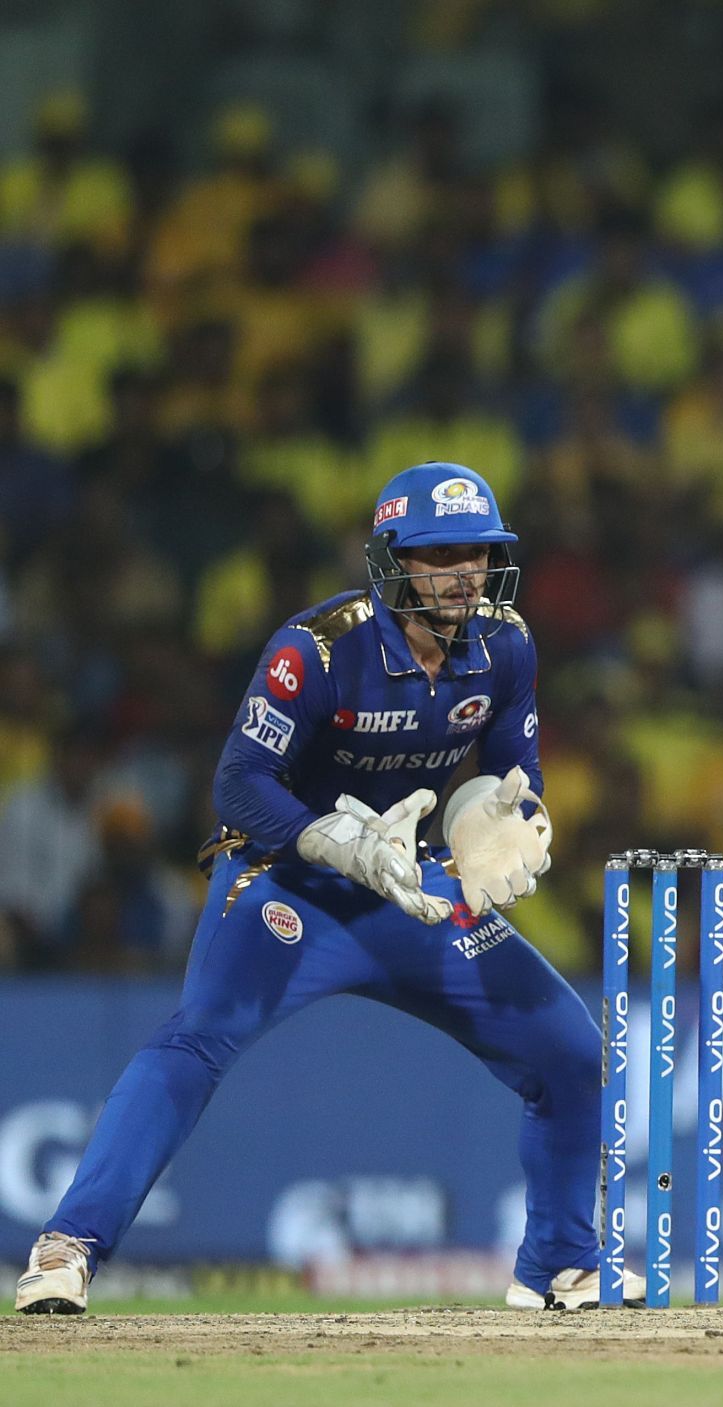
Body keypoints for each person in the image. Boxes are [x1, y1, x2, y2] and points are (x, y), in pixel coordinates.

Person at [15, 462, 631, 1313]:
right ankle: (68, 1247)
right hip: (288, 882)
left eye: (479, 553)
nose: (465, 574)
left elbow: (509, 779)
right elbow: (237, 784)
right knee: (198, 1038)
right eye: (439, 553)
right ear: (392, 560)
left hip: (409, 888)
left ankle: (560, 1263)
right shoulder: (321, 647)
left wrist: (485, 827)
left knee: (571, 1051)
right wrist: (327, 836)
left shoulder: (506, 643)